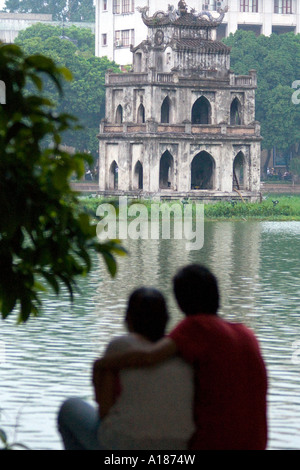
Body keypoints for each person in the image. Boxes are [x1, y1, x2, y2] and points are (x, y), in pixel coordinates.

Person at [95, 264, 268, 450]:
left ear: (180, 302)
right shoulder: (247, 334)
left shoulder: (197, 327)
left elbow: (149, 356)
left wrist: (104, 363)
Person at [57, 287, 195, 450]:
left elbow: (104, 413)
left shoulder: (120, 347)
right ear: (166, 319)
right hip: (178, 448)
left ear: (128, 319)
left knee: (69, 408)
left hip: (124, 447)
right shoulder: (182, 353)